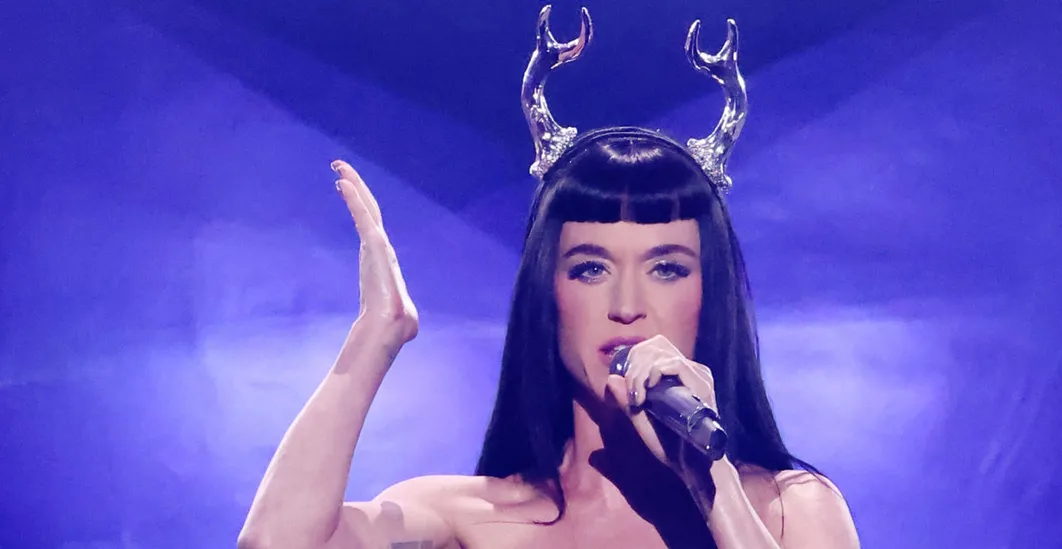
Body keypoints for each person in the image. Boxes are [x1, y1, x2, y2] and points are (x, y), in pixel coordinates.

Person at [238, 6, 859, 549]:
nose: (627, 305)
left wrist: (712, 480)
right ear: (548, 294)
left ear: (710, 296)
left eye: (666, 268)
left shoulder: (791, 508)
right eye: (591, 268)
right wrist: (378, 333)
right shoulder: (467, 519)